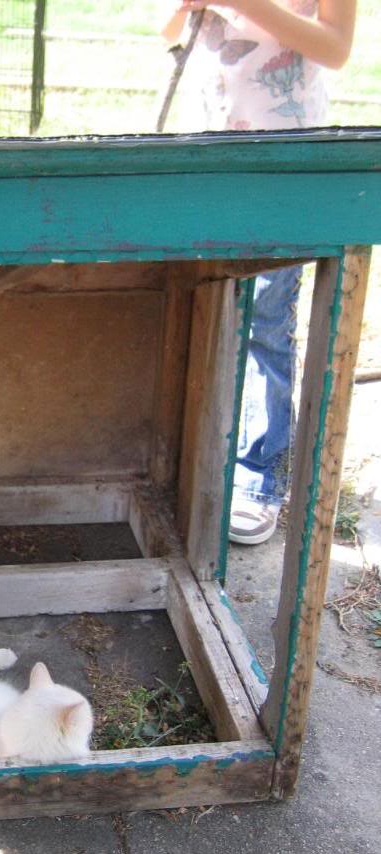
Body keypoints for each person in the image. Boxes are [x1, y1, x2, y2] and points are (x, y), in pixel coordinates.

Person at [161, 1, 356, 544]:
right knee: (198, 303)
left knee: (265, 321)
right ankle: (191, 459)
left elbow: (336, 49)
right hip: (209, 151)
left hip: (284, 160)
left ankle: (257, 478)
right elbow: (168, 32)